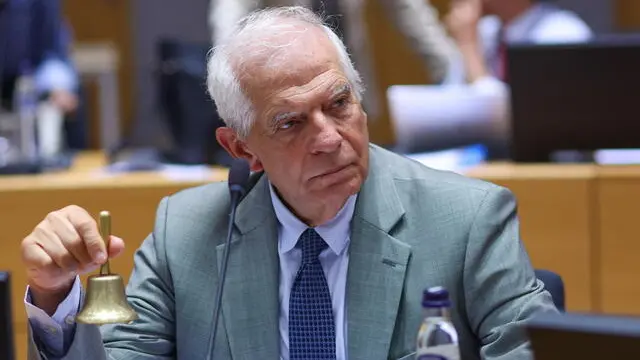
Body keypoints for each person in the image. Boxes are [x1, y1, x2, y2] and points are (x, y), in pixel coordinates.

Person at [22, 6, 557, 360]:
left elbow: (533, 349)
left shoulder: (467, 219)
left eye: (339, 103)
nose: (329, 138)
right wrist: (55, 296)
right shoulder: (184, 234)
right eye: (290, 122)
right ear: (241, 148)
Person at [209, 0, 456, 120]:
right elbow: (229, 19)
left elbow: (408, 12)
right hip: (289, 97)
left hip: (353, 87)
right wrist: (232, 82)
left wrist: (453, 72)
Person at [443, 0, 593, 91]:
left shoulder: (563, 34)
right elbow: (450, 105)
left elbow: (510, 120)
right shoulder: (482, 31)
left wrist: (469, 50)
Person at [0, 0, 85, 151]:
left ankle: (66, 166)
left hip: (19, 82)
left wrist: (57, 85)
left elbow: (52, 52)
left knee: (67, 96)